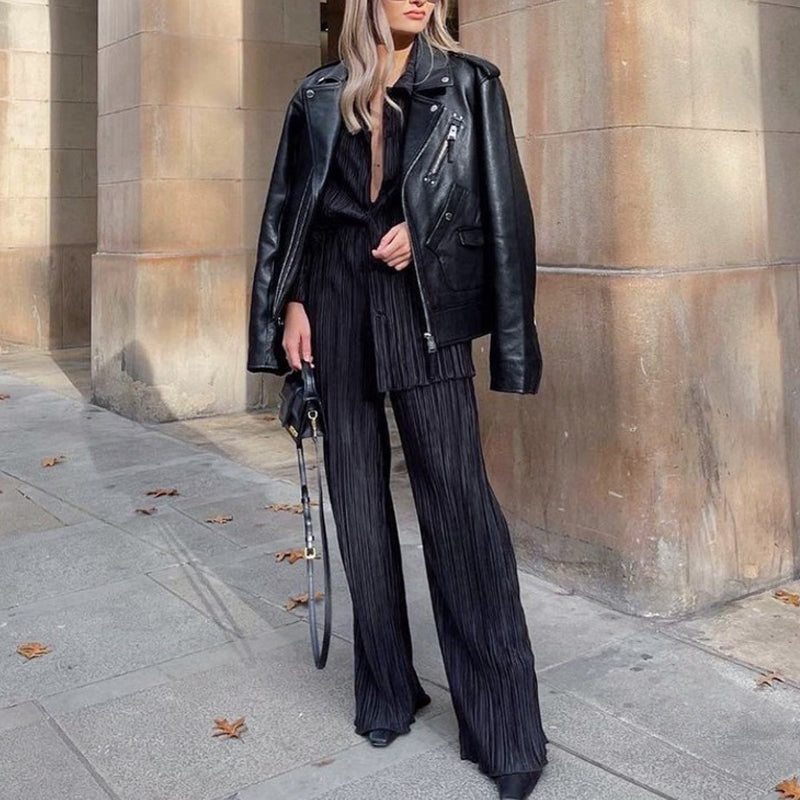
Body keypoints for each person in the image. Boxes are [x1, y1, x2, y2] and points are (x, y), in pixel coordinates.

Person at [247, 1, 547, 797]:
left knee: (460, 507)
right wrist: (294, 304)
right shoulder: (319, 94)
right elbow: (290, 212)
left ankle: (505, 728)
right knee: (357, 504)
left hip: (423, 308)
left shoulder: (469, 84)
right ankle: (386, 688)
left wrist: (426, 228)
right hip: (335, 301)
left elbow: (502, 208)